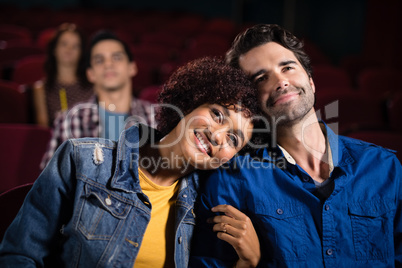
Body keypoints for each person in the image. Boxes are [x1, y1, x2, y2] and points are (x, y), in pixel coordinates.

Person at [0, 57, 262, 268]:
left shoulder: (206, 206)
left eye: (233, 138)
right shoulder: (80, 160)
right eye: (217, 114)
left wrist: (248, 262)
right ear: (191, 103)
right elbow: (20, 255)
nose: (217, 136)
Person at [190, 24, 402, 267]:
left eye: (287, 67)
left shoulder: (384, 167)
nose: (281, 81)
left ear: (310, 81)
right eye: (262, 78)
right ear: (250, 104)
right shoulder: (232, 179)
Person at [40, 31, 155, 169]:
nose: (108, 64)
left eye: (117, 57)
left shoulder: (156, 117)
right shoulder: (70, 120)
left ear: (132, 67)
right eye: (99, 60)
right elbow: (50, 182)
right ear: (90, 74)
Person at [33, 23, 93, 127]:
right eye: (64, 44)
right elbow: (43, 129)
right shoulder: (41, 88)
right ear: (54, 49)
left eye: (75, 46)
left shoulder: (94, 86)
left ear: (81, 53)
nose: (69, 49)